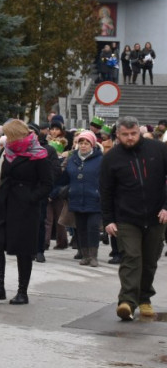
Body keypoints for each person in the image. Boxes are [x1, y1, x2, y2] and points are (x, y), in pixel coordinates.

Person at [100, 116, 167, 320]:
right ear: (118, 135)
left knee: (149, 261)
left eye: (133, 133)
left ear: (139, 131)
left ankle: (144, 299)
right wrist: (108, 220)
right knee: (131, 257)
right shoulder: (111, 158)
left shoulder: (158, 149)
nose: (130, 138)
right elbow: (105, 191)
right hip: (126, 217)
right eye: (125, 135)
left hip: (156, 216)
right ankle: (127, 302)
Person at [0, 119, 53, 305]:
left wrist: (30, 197)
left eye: (9, 136)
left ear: (17, 135)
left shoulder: (39, 155)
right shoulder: (8, 151)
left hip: (25, 209)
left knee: (23, 249)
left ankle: (22, 292)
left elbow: (47, 184)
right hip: (3, 203)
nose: (6, 140)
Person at [58, 130, 104, 266]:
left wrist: (101, 193)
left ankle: (93, 256)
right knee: (81, 229)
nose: (83, 146)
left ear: (92, 145)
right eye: (81, 143)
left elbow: (106, 179)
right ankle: (85, 255)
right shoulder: (73, 159)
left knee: (93, 228)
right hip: (77, 198)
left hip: (94, 199)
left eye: (86, 143)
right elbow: (65, 178)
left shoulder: (100, 159)